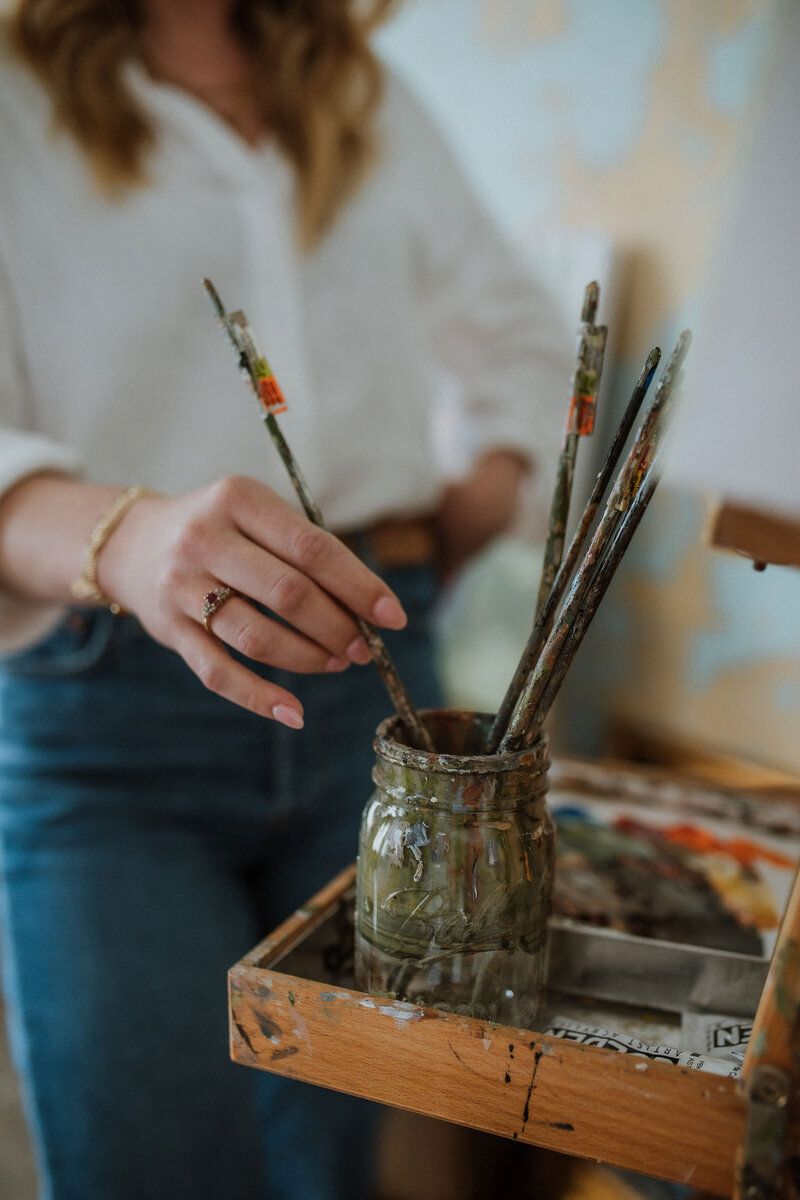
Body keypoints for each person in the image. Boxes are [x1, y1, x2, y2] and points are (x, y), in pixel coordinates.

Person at [0, 1, 569, 1197]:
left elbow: (519, 324)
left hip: (374, 696)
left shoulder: (357, 88)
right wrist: (125, 535)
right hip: (109, 720)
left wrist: (490, 478)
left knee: (342, 1159)